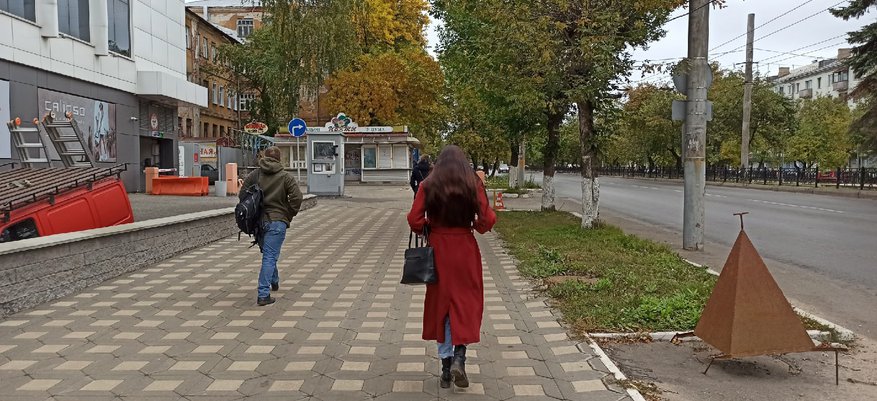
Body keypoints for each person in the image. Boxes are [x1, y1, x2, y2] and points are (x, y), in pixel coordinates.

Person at [407, 145, 497, 389]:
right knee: (465, 303)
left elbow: (414, 219)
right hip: (465, 250)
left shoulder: (428, 184)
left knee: (442, 306)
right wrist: (475, 227)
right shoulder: (473, 184)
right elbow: (488, 219)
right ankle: (460, 357)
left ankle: (446, 369)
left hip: (438, 250)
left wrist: (429, 225)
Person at [239, 146, 304, 306]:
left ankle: (274, 280)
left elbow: (242, 195)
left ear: (264, 157)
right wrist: (288, 213)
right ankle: (263, 294)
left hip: (259, 222)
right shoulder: (285, 177)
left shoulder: (255, 175)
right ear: (279, 158)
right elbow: (297, 198)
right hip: (277, 221)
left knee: (268, 253)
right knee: (270, 255)